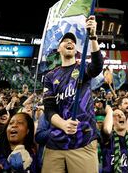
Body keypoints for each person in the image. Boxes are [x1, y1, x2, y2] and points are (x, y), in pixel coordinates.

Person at [42, 15, 104, 173]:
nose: (70, 42)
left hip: (83, 142)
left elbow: (97, 66)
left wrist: (93, 37)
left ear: (76, 50)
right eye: (65, 41)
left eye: (73, 41)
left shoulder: (82, 67)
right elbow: (49, 110)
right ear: (59, 49)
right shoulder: (50, 76)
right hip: (55, 145)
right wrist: (63, 124)